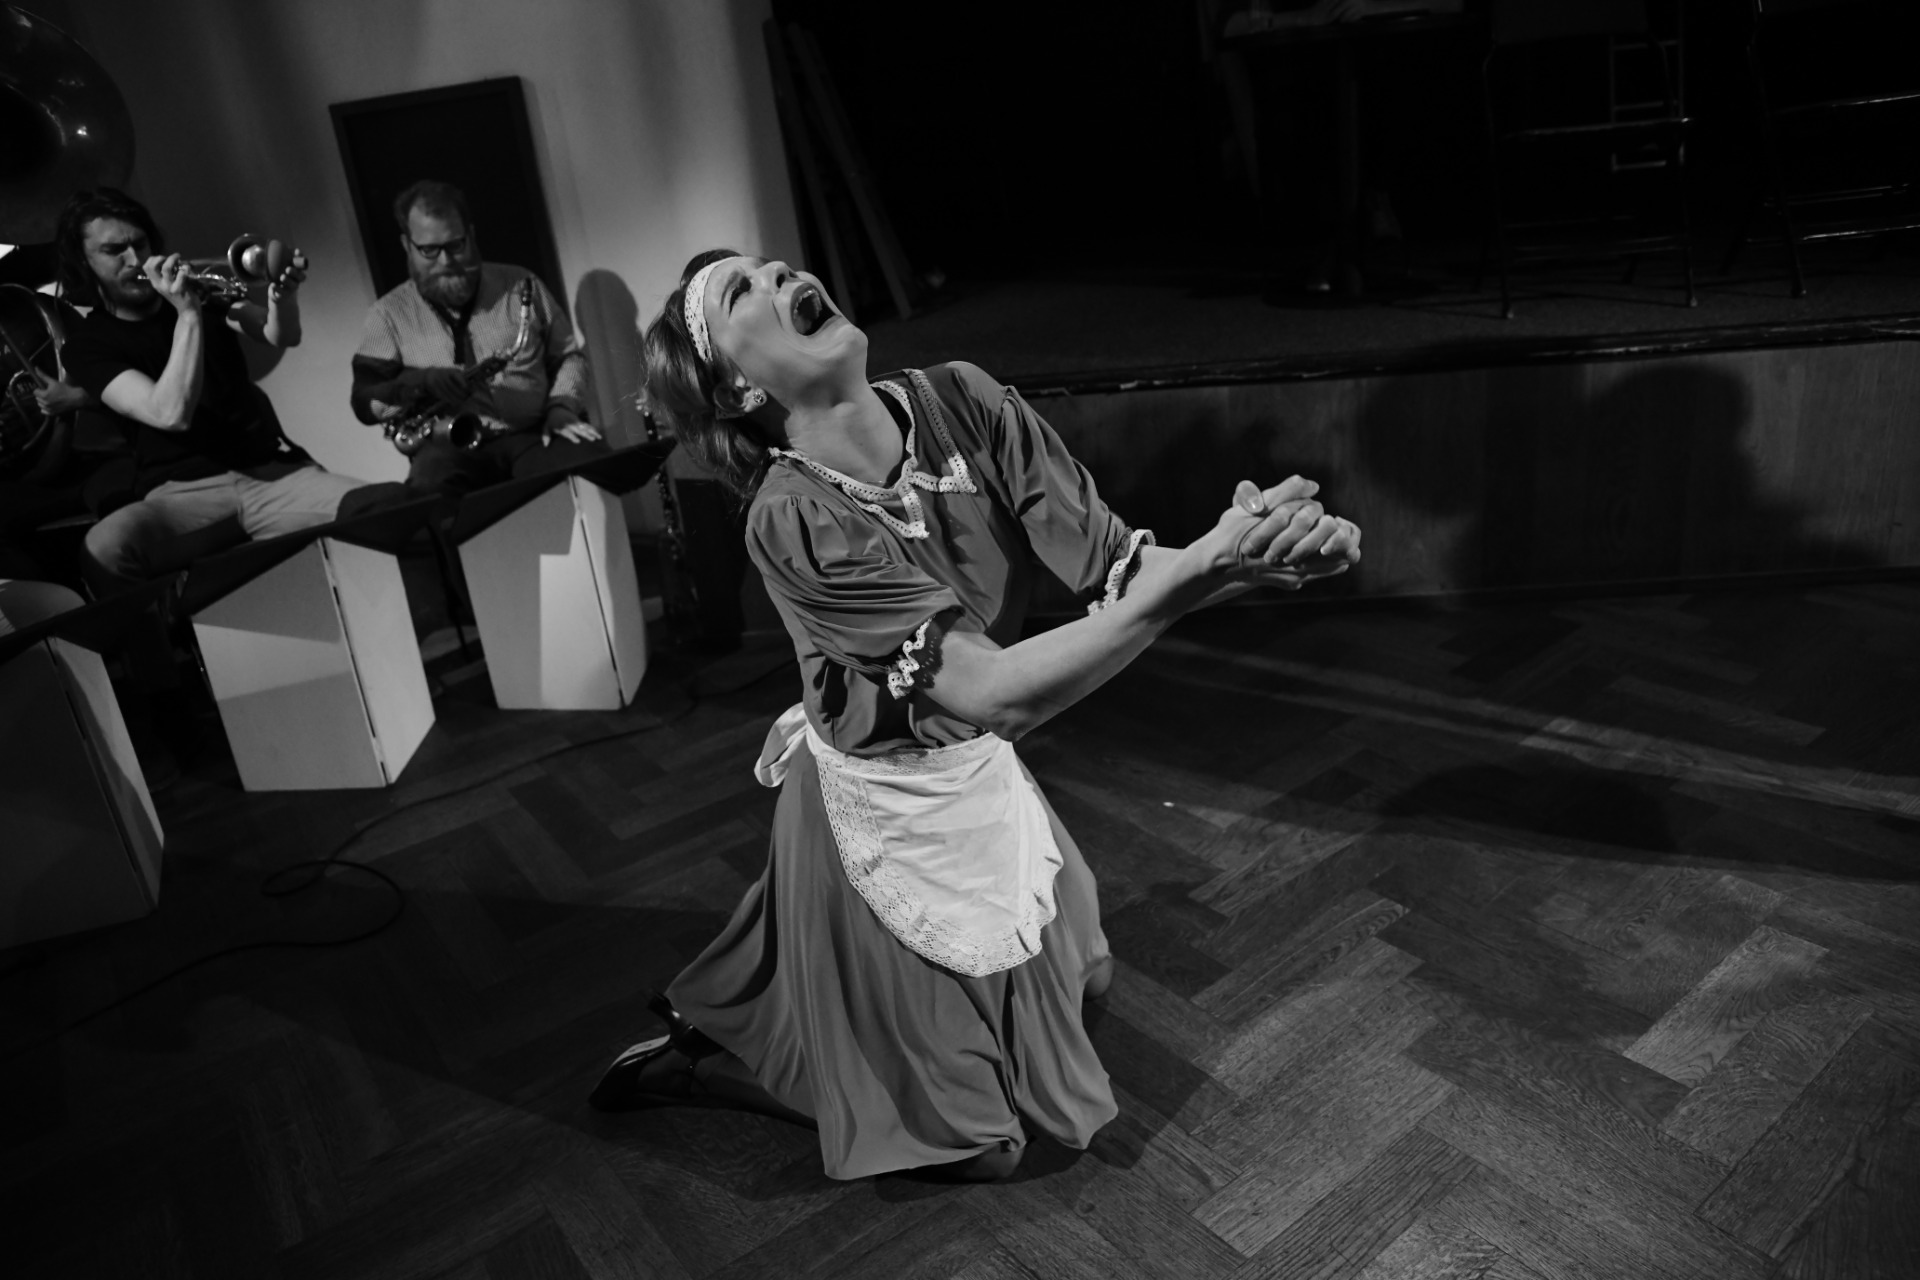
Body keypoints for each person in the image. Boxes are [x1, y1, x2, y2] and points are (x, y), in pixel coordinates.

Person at [588, 249, 1362, 1182]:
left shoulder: (964, 399)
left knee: (1092, 977)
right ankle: (719, 1071)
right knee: (980, 1150)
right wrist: (1205, 570)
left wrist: (1248, 554)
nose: (778, 271)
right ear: (736, 390)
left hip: (976, 771)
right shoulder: (791, 520)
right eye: (740, 290)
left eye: (769, 263)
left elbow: (1118, 570)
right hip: (888, 809)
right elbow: (996, 691)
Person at [57, 188, 377, 589]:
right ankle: (163, 630)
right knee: (104, 549)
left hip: (269, 475)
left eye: (140, 244)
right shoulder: (87, 346)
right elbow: (168, 413)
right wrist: (187, 314)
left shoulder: (203, 297)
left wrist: (283, 296)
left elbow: (280, 334)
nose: (135, 260)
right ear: (83, 262)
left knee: (385, 507)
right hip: (180, 495)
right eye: (114, 250)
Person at [349, 180, 602, 496]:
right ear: (406, 245)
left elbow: (567, 356)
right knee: (428, 494)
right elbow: (365, 401)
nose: (446, 262)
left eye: (456, 245)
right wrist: (421, 383)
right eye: (429, 250)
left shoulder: (522, 284)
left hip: (533, 434)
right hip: (450, 447)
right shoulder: (386, 314)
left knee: (600, 463)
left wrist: (562, 406)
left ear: (471, 234)